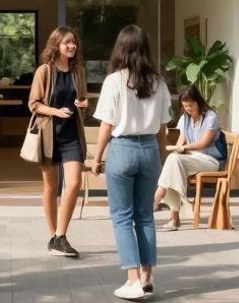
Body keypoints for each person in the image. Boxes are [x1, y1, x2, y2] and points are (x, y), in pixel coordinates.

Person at [89, 25, 172, 301]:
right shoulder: (159, 82)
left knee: (122, 217)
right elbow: (163, 128)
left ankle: (132, 280)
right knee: (145, 216)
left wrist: (97, 157)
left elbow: (106, 125)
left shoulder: (114, 81)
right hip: (149, 149)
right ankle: (147, 278)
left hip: (122, 149)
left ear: (120, 48)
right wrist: (160, 156)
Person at [27, 25, 90, 258]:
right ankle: (54, 235)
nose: (72, 46)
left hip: (72, 136)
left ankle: (60, 235)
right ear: (57, 45)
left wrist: (83, 104)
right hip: (50, 136)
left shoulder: (78, 72)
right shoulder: (45, 71)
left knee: (73, 183)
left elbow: (82, 98)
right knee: (51, 188)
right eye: (67, 43)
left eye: (74, 42)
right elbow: (33, 104)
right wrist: (55, 111)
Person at [152, 84, 224, 231]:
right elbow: (181, 141)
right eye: (185, 106)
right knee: (174, 160)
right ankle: (175, 212)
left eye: (190, 105)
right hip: (191, 160)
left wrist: (183, 149)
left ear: (199, 102)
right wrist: (177, 150)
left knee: (174, 161)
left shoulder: (211, 116)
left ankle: (161, 201)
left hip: (210, 160)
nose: (188, 109)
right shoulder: (185, 119)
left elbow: (204, 143)